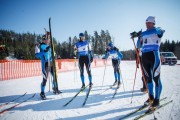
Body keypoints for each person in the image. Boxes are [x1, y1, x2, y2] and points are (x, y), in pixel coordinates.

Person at [137, 16, 165, 108]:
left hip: (154, 56)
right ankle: (151, 97)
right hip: (145, 56)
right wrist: (138, 37)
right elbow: (138, 46)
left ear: (153, 23)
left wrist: (142, 33)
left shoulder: (157, 30)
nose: (147, 24)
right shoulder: (144, 34)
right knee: (148, 78)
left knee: (156, 79)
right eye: (146, 23)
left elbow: (156, 31)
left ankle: (157, 99)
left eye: (149, 23)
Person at [35, 33, 62, 100]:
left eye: (49, 39)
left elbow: (54, 54)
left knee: (55, 76)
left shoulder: (50, 46)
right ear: (44, 40)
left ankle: (55, 88)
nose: (48, 40)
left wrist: (55, 55)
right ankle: (42, 93)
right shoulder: (39, 46)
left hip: (51, 63)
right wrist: (43, 52)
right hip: (45, 64)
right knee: (45, 79)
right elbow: (36, 55)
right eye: (47, 39)